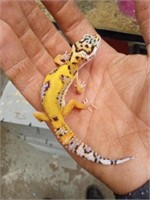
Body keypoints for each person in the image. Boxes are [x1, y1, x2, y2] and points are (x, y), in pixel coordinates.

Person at [0, 0, 149, 199]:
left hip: (50, 110)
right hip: (52, 111)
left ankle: (53, 119)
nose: (94, 44)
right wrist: (83, 103)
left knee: (55, 113)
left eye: (92, 44)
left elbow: (57, 60)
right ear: (83, 58)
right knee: (69, 105)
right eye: (91, 46)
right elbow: (76, 94)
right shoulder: (71, 76)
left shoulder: (67, 65)